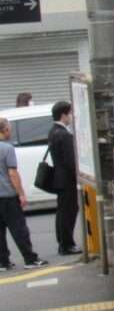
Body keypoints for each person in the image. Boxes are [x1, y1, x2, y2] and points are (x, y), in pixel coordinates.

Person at [0, 116, 48, 270]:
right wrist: (21, 193)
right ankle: (30, 259)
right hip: (7, 195)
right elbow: (12, 173)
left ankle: (3, 262)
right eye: (9, 128)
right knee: (19, 228)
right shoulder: (7, 148)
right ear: (5, 130)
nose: (10, 131)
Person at [48, 101, 81, 256]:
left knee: (62, 211)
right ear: (64, 115)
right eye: (70, 113)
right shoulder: (64, 135)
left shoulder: (53, 131)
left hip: (59, 179)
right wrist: (79, 177)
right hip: (68, 180)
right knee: (69, 211)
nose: (71, 117)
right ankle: (67, 245)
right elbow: (70, 161)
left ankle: (62, 242)